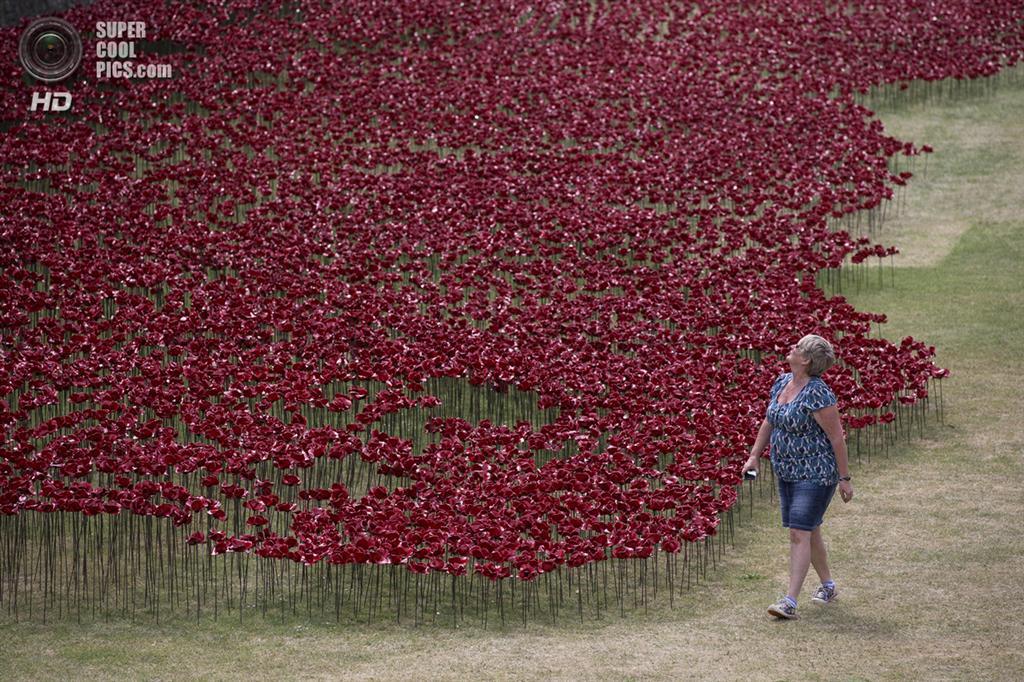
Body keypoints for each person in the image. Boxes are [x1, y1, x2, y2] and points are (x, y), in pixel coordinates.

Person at [741, 333, 854, 620]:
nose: (790, 349)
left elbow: (837, 438)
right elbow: (770, 419)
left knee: (798, 532)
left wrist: (844, 478)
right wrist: (754, 454)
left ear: (806, 360)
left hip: (816, 473)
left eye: (796, 348)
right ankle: (828, 586)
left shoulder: (818, 392)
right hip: (787, 470)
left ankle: (789, 602)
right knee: (809, 529)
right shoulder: (782, 382)